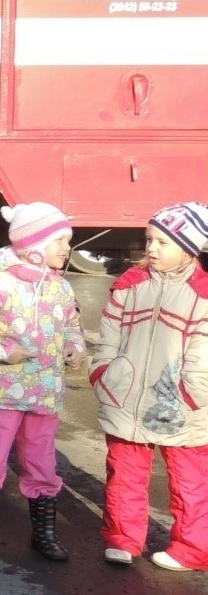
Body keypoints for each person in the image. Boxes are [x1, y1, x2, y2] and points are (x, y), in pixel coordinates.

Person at [0, 202, 84, 563]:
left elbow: (72, 325)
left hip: (45, 394)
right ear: (35, 244)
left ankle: (44, 532)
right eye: (60, 240)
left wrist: (74, 347)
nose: (66, 247)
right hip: (1, 392)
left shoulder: (61, 289)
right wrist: (0, 351)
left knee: (42, 462)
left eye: (67, 240)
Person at [91, 202, 208, 571]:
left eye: (162, 242)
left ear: (189, 248)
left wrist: (191, 396)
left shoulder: (203, 295)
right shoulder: (131, 285)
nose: (151, 249)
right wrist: (103, 373)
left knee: (190, 481)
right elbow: (109, 335)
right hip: (126, 396)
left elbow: (203, 357)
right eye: (150, 239)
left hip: (181, 405)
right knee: (124, 471)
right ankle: (123, 538)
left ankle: (191, 548)